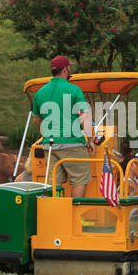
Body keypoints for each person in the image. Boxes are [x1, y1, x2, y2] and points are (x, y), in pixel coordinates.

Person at [30, 55, 94, 197]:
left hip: (50, 145)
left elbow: (36, 119)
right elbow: (84, 116)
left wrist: (46, 133)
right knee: (79, 180)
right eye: (69, 67)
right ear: (65, 70)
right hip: (72, 143)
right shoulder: (74, 90)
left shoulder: (40, 92)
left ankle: (57, 216)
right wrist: (90, 140)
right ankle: (74, 216)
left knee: (54, 183)